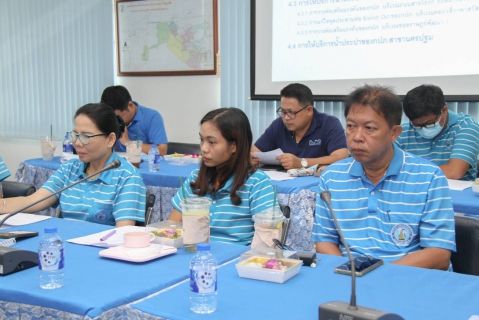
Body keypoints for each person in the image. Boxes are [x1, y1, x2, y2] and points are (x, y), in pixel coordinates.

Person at [312, 84, 456, 270]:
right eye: (350, 126)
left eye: (369, 128)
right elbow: (324, 241)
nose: (357, 137)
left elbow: (439, 254)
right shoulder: (331, 177)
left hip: (409, 278)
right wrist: (351, 273)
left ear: (394, 133)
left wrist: (378, 276)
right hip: (351, 278)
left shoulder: (429, 177)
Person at [1, 103, 146, 226]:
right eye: (75, 134)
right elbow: (33, 201)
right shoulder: (70, 168)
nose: (76, 142)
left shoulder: (127, 176)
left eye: (86, 136)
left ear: (110, 139)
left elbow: (124, 233)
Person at [169, 107, 277, 245]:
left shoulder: (256, 182)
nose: (204, 148)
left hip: (235, 260)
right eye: (202, 140)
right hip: (196, 254)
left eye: (212, 142)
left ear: (234, 146)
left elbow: (268, 241)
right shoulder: (196, 177)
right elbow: (172, 228)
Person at [252, 83, 349, 170]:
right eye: (283, 111)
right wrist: (250, 159)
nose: (286, 118)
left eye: (291, 112)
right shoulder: (279, 124)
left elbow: (341, 157)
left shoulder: (329, 124)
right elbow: (254, 151)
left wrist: (301, 162)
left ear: (309, 110)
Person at [396, 84, 479, 181]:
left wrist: (407, 172)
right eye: (417, 126)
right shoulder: (403, 130)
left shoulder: (466, 126)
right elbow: (382, 167)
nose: (424, 129)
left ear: (444, 110)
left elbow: (454, 172)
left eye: (429, 124)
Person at [101, 85, 169, 155]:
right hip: (116, 163)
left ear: (130, 105)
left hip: (142, 165)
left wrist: (127, 142)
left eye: (119, 117)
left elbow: (162, 151)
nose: (115, 121)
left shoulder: (152, 117)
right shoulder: (107, 118)